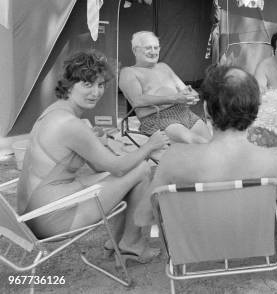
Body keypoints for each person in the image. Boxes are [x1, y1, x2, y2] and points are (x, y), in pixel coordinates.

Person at [17, 50, 169, 263]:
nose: (96, 92)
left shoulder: (55, 112)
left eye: (100, 85)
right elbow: (117, 168)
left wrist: (95, 140)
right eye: (87, 85)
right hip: (50, 219)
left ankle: (119, 241)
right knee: (142, 169)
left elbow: (99, 168)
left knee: (130, 174)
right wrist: (150, 145)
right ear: (69, 85)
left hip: (31, 213)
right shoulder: (71, 125)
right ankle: (130, 243)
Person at [135, 66, 277, 226]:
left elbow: (142, 217)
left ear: (206, 109)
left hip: (196, 249)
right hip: (255, 246)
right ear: (256, 110)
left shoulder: (174, 158)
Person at [119, 31, 211, 144]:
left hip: (184, 112)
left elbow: (185, 90)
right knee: (196, 142)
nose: (153, 52)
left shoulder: (164, 67)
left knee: (210, 142)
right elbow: (137, 100)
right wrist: (174, 99)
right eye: (148, 48)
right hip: (156, 117)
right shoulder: (129, 72)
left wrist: (191, 96)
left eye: (156, 48)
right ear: (135, 50)